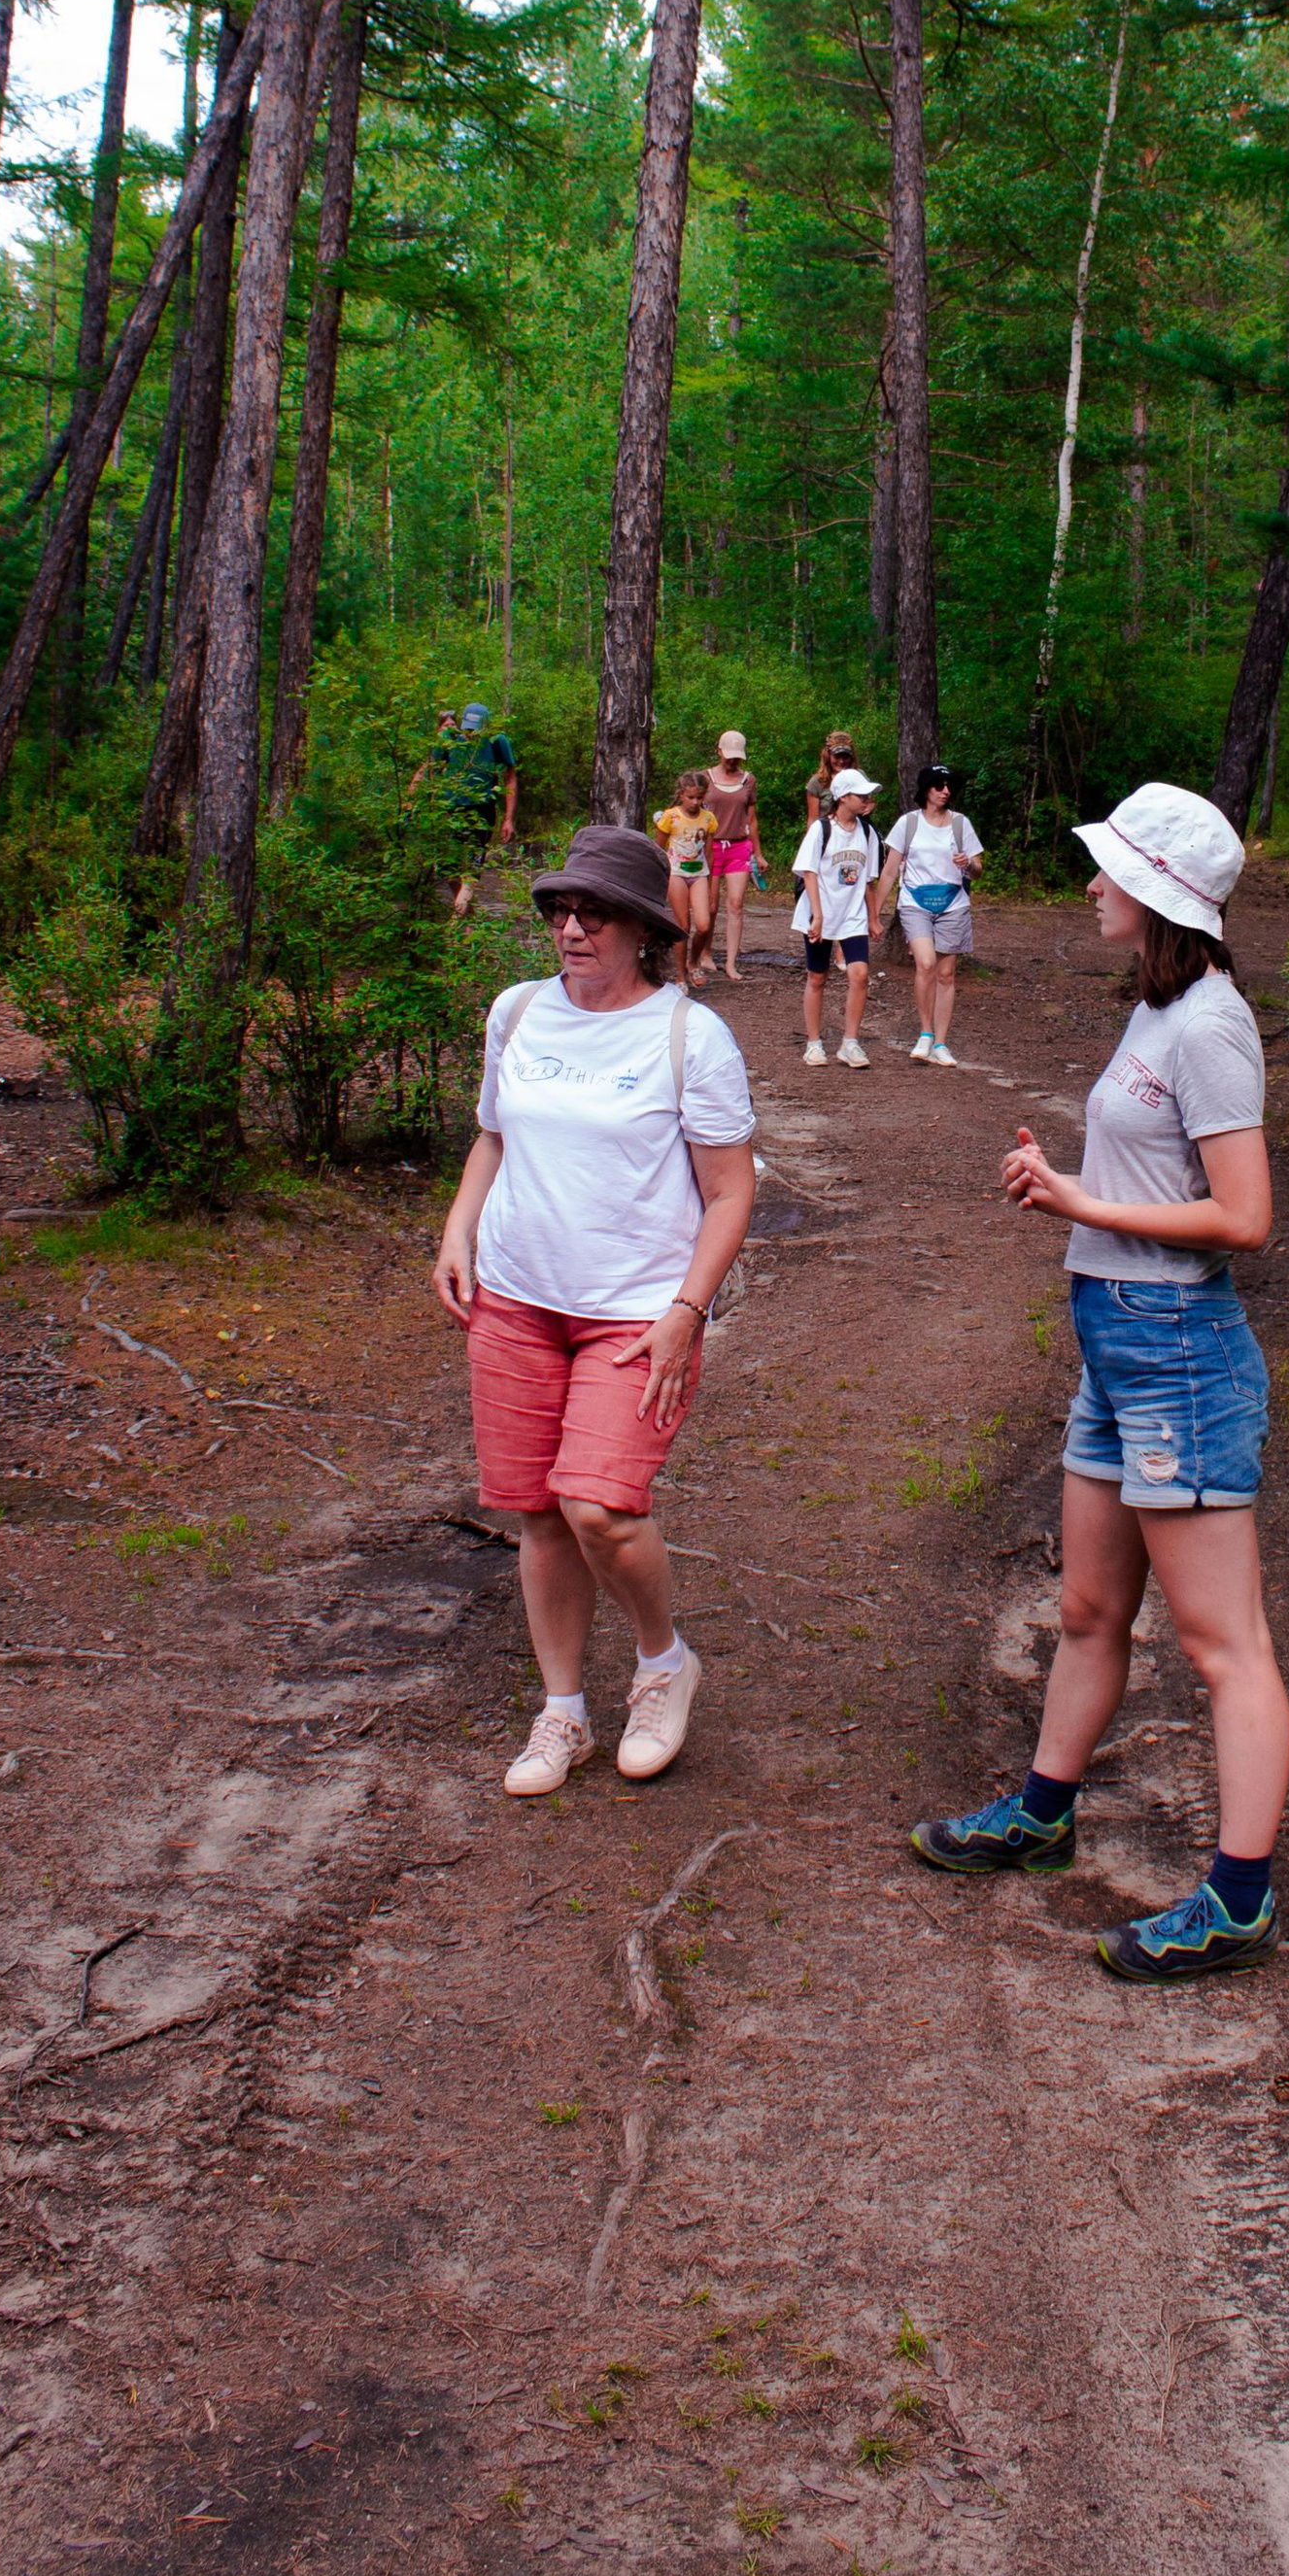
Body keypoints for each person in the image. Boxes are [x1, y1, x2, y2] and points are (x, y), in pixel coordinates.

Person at [909, 782, 1288, 1983]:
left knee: (1223, 1645)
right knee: (1086, 1611)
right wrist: (1063, 1177)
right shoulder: (1155, 1008)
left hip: (1176, 1346)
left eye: (1106, 868)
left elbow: (1244, 1217)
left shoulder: (1211, 1026)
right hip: (1118, 1344)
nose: (1087, 883)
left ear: (1160, 893)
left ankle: (1238, 1900)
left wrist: (1079, 1202)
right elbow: (1156, 1168)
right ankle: (1041, 1814)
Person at [432, 823, 754, 1796]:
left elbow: (732, 1193)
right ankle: (562, 1711)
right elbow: (494, 1136)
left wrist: (687, 1311)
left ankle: (662, 1664)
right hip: (518, 1297)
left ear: (642, 928)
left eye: (594, 913)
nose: (571, 929)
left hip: (635, 1311)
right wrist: (457, 1231)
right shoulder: (518, 1013)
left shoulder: (687, 1035)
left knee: (598, 1506)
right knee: (534, 1512)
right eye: (560, 911)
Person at [876, 763, 983, 1068]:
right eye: (939, 786)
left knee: (946, 975)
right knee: (925, 963)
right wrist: (874, 913)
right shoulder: (908, 824)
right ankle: (924, 1033)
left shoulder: (961, 824)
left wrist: (968, 864)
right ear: (926, 791)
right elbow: (888, 872)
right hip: (915, 902)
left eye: (949, 786)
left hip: (953, 904)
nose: (946, 791)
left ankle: (941, 1043)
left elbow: (977, 869)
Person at [792, 764, 881, 1070]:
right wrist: (817, 915)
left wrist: (873, 917)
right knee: (817, 976)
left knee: (859, 975)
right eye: (862, 795)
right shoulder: (822, 829)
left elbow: (868, 879)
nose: (868, 800)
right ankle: (814, 1044)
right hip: (821, 912)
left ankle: (850, 1043)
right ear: (843, 797)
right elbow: (809, 871)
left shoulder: (868, 833)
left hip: (852, 915)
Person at [406, 702, 518, 915]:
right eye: (467, 728)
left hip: (481, 813)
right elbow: (430, 769)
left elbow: (510, 776)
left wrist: (508, 819)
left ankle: (455, 928)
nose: (470, 733)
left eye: (475, 729)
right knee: (448, 870)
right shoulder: (449, 740)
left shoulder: (497, 741)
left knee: (471, 871)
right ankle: (468, 915)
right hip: (450, 812)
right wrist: (415, 802)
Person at [701, 730, 760, 980]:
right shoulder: (705, 778)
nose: (732, 761)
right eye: (728, 756)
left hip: (739, 845)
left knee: (735, 904)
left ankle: (731, 962)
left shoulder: (748, 780)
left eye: (737, 757)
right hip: (710, 846)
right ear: (719, 750)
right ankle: (704, 953)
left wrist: (758, 853)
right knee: (711, 906)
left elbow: (752, 819)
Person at [652, 769, 714, 986]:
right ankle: (680, 976)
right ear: (681, 795)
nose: (695, 802)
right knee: (683, 925)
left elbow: (709, 852)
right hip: (676, 872)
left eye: (699, 797)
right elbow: (657, 848)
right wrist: (658, 877)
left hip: (699, 874)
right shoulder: (671, 817)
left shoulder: (708, 818)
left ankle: (693, 962)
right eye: (691, 797)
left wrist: (712, 879)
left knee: (704, 925)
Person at [803, 728, 861, 837]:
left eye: (845, 757)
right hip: (828, 835)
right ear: (827, 756)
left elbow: (870, 801)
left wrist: (869, 805)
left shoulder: (859, 776)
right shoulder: (817, 782)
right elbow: (812, 819)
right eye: (837, 756)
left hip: (856, 832)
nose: (841, 761)